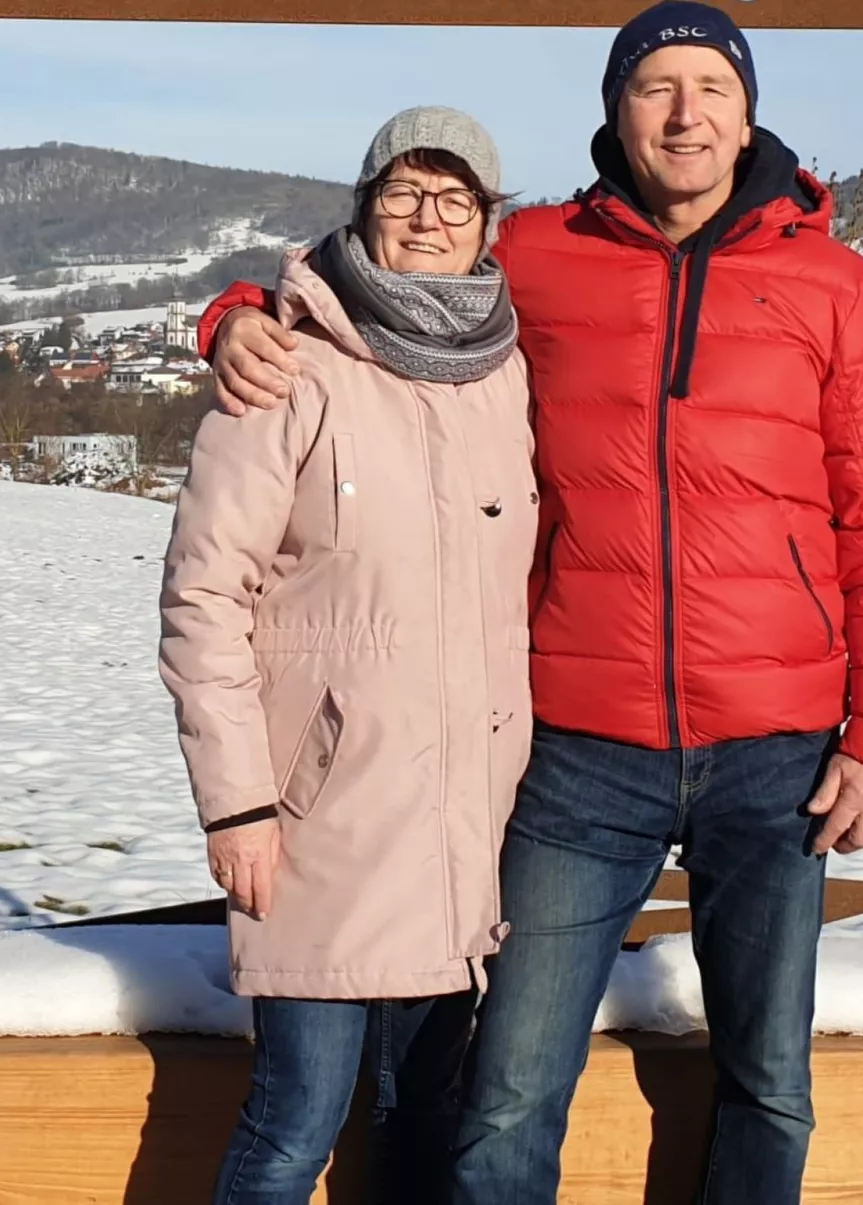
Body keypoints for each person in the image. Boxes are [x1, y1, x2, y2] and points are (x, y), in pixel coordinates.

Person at [194, 4, 863, 1202]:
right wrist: (234, 319)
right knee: (507, 1093)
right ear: (615, 112)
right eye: (656, 86)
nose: (685, 113)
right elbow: (372, 289)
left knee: (769, 1081)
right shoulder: (537, 256)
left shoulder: (832, 283)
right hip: (581, 748)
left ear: (748, 110)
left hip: (778, 747)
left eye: (710, 85)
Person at [157, 106, 537, 1205]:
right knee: (294, 1124)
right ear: (363, 210)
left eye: (454, 199)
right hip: (319, 824)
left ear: (488, 227)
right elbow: (202, 594)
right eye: (403, 194)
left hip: (467, 823)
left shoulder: (507, 372)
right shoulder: (287, 365)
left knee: (421, 1117)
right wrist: (236, 807)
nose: (427, 219)